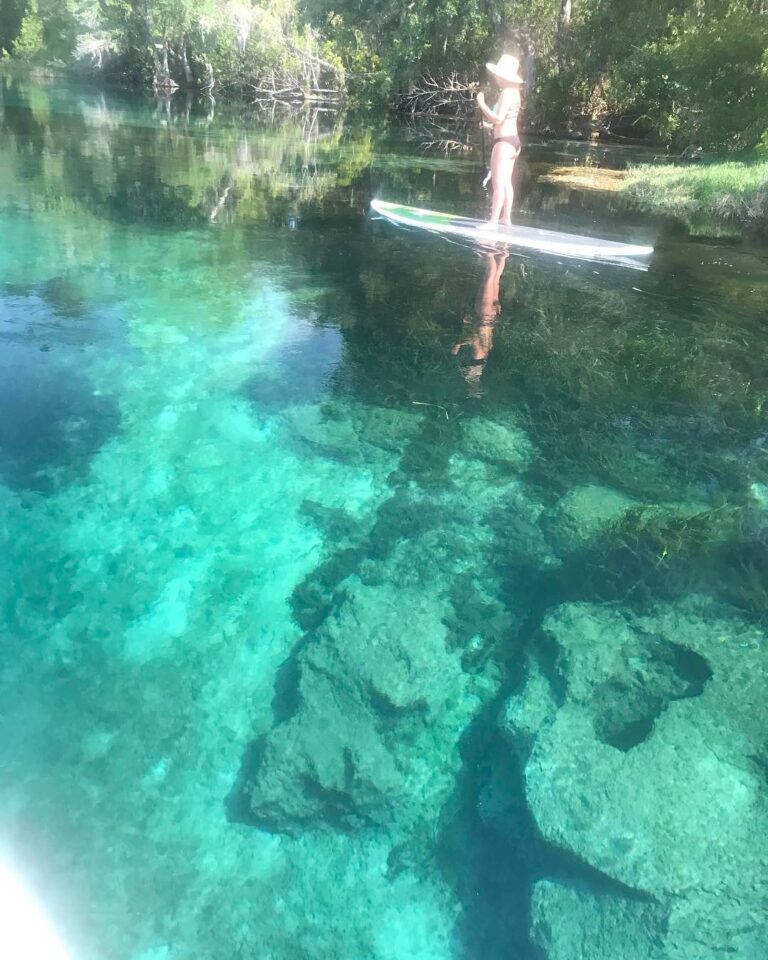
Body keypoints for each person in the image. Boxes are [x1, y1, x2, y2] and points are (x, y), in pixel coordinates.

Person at [476, 54, 524, 228]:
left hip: (503, 144)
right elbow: (505, 120)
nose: (495, 77)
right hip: (514, 142)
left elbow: (498, 118)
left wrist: (482, 104)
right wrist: (489, 126)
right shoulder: (516, 93)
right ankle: (506, 218)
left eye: (497, 74)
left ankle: (493, 221)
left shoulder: (506, 93)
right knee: (506, 182)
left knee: (497, 183)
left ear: (504, 76)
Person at [451, 249, 509, 393]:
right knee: (489, 278)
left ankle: (504, 252)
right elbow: (474, 338)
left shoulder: (487, 353)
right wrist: (458, 345)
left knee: (495, 280)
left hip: (491, 317)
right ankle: (488, 250)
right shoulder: (477, 355)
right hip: (483, 316)